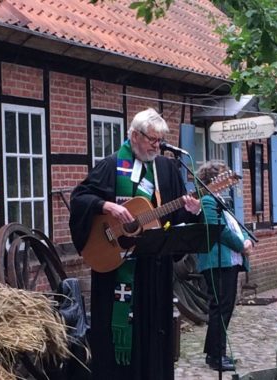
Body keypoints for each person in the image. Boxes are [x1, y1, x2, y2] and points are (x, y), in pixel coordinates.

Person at [69, 108, 201, 379]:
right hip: (117, 269)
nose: (157, 146)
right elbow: (79, 198)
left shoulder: (167, 168)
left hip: (154, 271)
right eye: (152, 139)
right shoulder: (111, 164)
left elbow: (173, 217)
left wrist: (192, 210)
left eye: (160, 140)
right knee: (120, 336)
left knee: (154, 331)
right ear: (134, 135)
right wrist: (106, 205)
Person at [194, 161, 253, 371]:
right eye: (224, 177)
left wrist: (246, 240)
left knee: (224, 308)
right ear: (213, 180)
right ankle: (215, 356)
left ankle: (216, 352)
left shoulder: (220, 200)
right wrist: (241, 244)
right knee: (220, 308)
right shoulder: (208, 201)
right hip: (217, 261)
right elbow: (217, 229)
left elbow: (236, 225)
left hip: (230, 261)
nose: (228, 181)